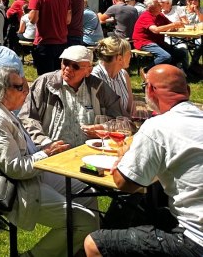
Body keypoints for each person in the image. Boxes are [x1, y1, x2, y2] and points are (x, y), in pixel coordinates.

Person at [0, 66, 98, 257]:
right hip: (9, 186)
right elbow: (14, 169)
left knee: (87, 192)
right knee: (86, 220)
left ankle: (79, 248)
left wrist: (46, 151)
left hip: (30, 174)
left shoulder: (0, 107)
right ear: (2, 89)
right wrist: (46, 154)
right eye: (21, 87)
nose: (27, 91)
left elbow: (24, 152)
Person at [84, 65, 203, 257]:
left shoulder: (158, 126)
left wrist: (123, 159)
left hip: (195, 240)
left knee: (94, 244)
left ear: (150, 90)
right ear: (188, 91)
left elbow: (124, 183)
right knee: (147, 209)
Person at [21, 45, 128, 148]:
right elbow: (27, 117)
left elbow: (123, 121)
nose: (68, 68)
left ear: (88, 71)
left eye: (75, 66)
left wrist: (103, 127)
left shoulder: (98, 87)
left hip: (88, 151)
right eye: (65, 63)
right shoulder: (46, 83)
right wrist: (44, 142)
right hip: (50, 151)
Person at [28, 0, 71, 75]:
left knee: (45, 79)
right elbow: (68, 20)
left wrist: (29, 16)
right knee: (58, 78)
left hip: (45, 43)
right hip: (61, 42)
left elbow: (33, 19)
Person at [132, 0, 190, 71]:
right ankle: (146, 70)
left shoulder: (160, 15)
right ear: (152, 8)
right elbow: (155, 30)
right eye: (158, 5)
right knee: (165, 56)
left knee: (181, 53)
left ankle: (170, 70)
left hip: (158, 42)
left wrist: (174, 27)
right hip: (144, 42)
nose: (161, 6)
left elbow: (170, 25)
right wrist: (173, 25)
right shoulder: (146, 16)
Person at [90, 37, 135, 114]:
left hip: (123, 124)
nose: (131, 56)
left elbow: (130, 108)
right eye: (129, 53)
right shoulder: (95, 77)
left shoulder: (124, 75)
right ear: (120, 58)